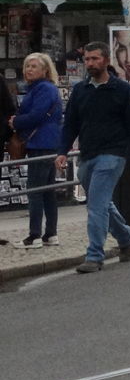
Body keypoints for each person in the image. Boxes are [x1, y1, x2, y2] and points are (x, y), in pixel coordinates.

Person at [58, 41, 130, 273]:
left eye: (95, 59)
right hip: (88, 155)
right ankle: (126, 237)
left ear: (106, 61)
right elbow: (71, 125)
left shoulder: (122, 90)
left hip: (113, 155)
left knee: (95, 205)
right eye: (87, 59)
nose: (90, 63)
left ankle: (94, 255)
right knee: (102, 202)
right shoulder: (80, 91)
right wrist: (62, 151)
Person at [9, 53, 65, 249]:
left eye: (33, 66)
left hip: (41, 144)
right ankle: (50, 234)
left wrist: (16, 121)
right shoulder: (44, 88)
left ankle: (34, 236)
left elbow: (36, 115)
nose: (28, 70)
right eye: (26, 66)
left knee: (35, 191)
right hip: (48, 143)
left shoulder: (43, 88)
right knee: (47, 191)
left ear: (45, 70)